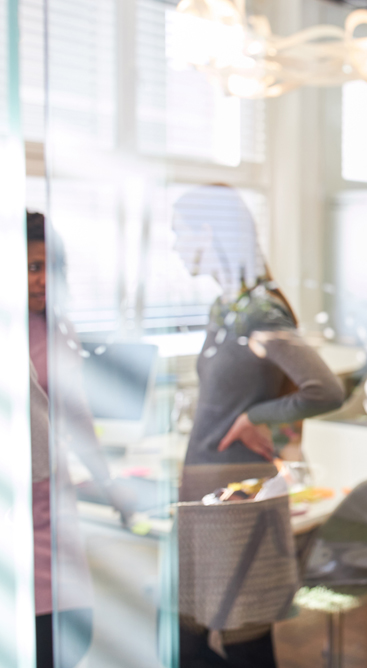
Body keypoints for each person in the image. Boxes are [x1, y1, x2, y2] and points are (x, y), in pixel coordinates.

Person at [171, 184, 346, 667]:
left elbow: (324, 389)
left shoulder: (259, 312)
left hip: (238, 490)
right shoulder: (224, 309)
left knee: (240, 634)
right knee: (191, 631)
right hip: (204, 483)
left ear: (208, 232)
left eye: (179, 233)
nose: (174, 245)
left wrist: (255, 416)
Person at [27, 211, 133, 668]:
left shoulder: (57, 329)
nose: (41, 281)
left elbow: (77, 417)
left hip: (54, 502)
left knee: (72, 632)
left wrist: (110, 485)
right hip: (15, 510)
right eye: (32, 267)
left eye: (50, 269)